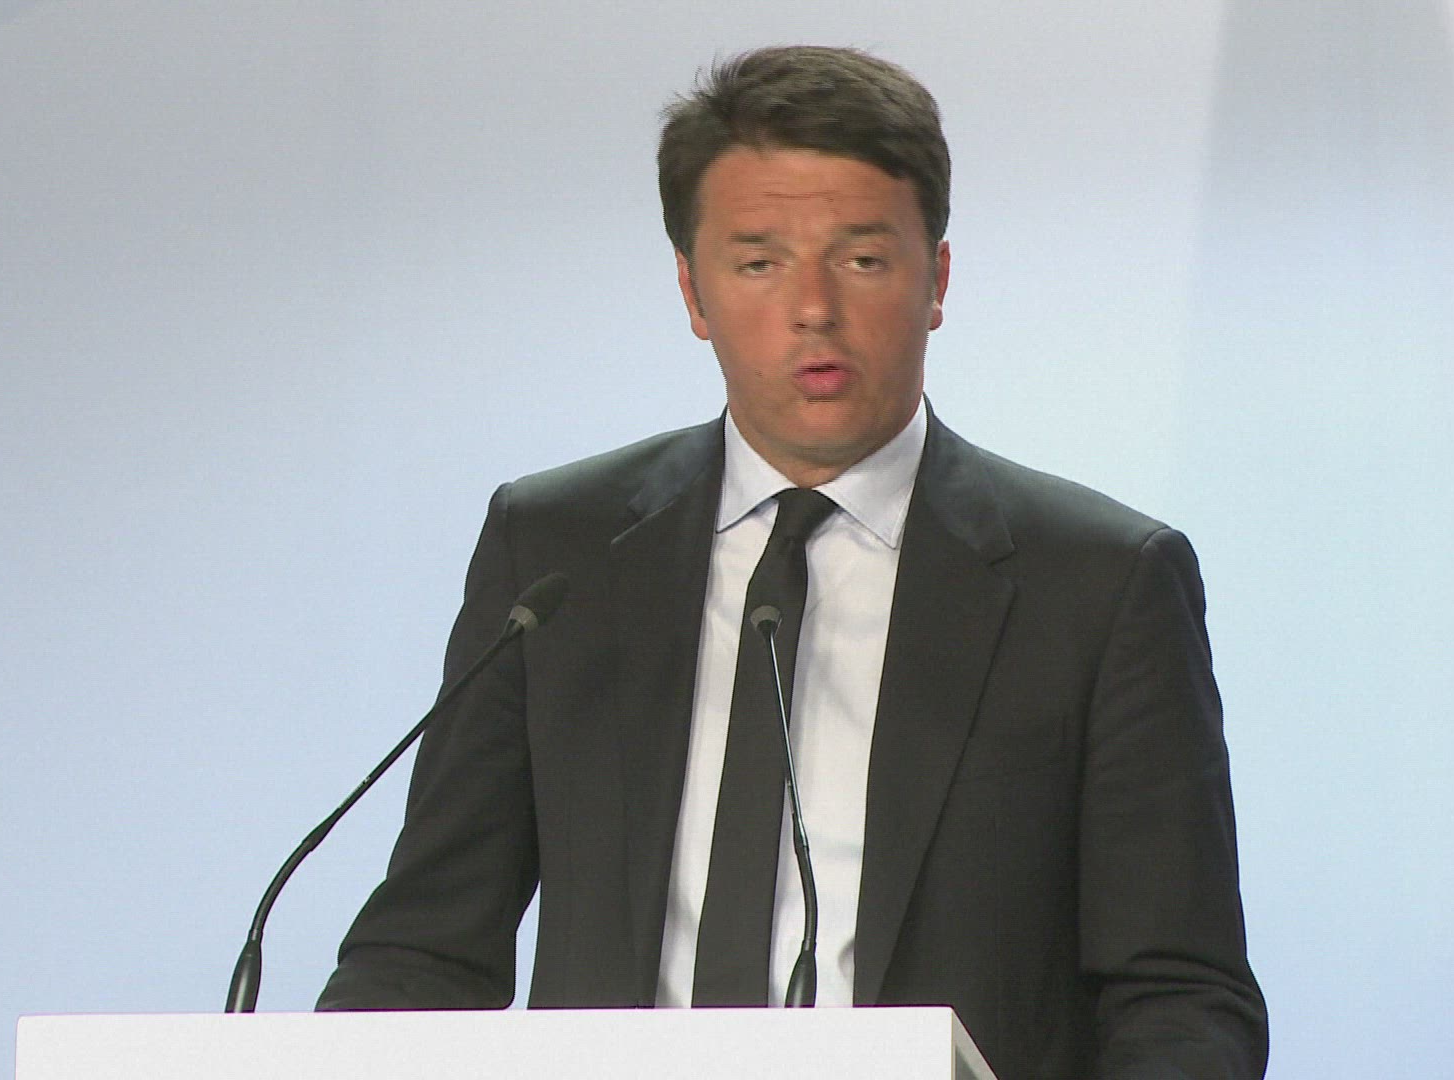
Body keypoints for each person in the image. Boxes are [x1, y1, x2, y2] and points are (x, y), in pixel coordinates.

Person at [317, 45, 1268, 1079]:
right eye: (760, 263)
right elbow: (425, 950)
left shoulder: (1099, 584)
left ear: (937, 278)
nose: (814, 307)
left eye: (861, 260)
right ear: (693, 292)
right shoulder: (556, 556)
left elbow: (1179, 998)